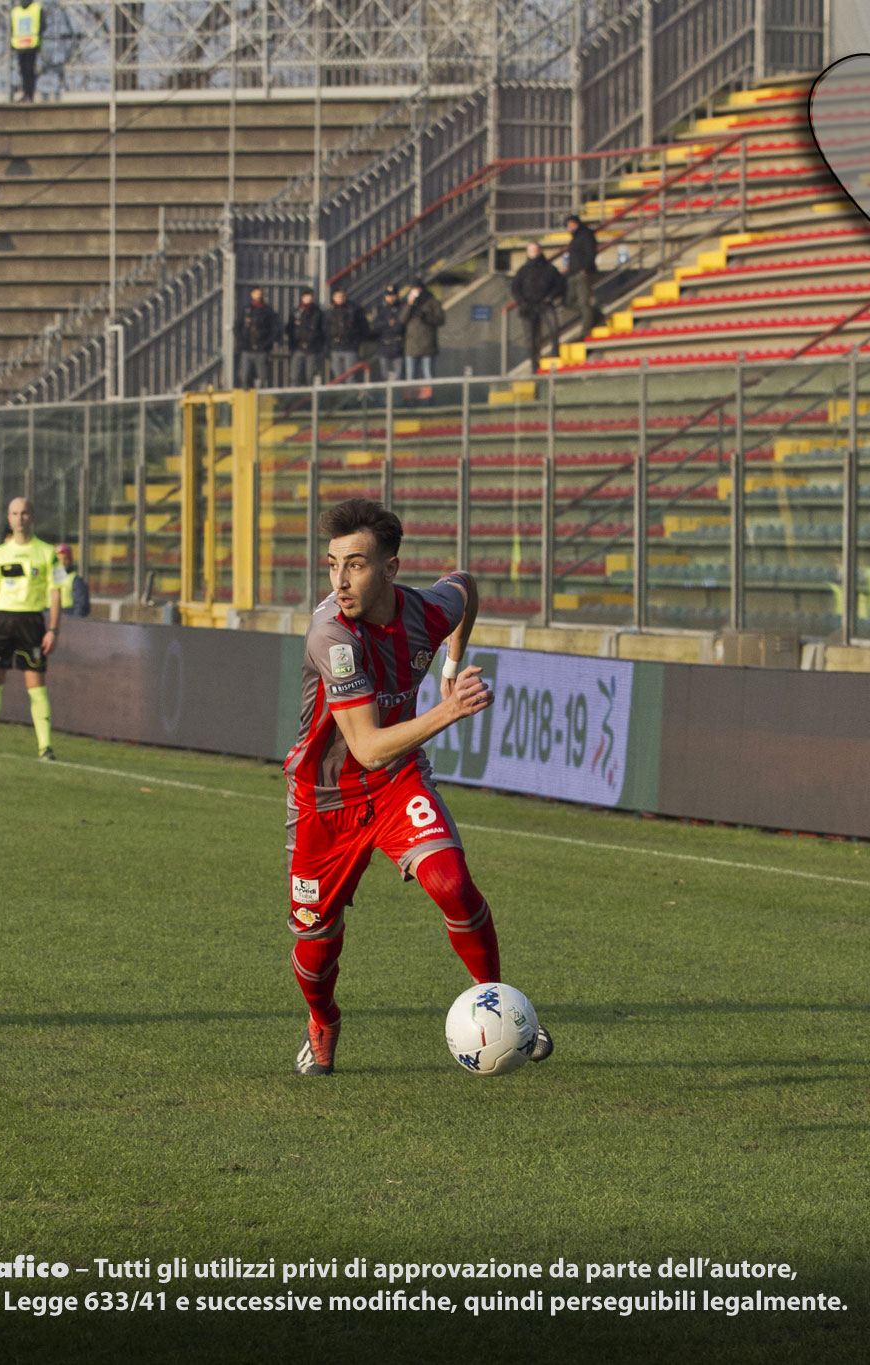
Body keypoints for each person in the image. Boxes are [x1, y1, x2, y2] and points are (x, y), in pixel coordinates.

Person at [282, 497, 550, 1076]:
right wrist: (448, 709)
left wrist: (453, 661)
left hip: (395, 782)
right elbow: (365, 746)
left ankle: (502, 1007)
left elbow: (465, 587)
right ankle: (323, 1020)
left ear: (391, 569)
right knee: (316, 944)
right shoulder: (333, 636)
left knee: (452, 883)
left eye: (355, 565)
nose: (339, 581)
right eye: (332, 565)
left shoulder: (426, 610)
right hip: (324, 801)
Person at [0, 496, 62, 760]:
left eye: (24, 513)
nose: (20, 518)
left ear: (32, 517)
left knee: (35, 683)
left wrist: (53, 630)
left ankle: (45, 747)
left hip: (31, 623)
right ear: (8, 519)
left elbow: (55, 593)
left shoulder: (47, 553)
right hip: (1, 622)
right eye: (14, 513)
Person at [511, 241, 566, 370]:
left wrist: (550, 297)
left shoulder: (549, 268)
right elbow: (515, 288)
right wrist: (522, 301)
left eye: (536, 250)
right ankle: (534, 363)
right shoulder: (523, 270)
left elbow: (559, 284)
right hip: (528, 307)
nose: (534, 253)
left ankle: (555, 353)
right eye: (531, 250)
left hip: (545, 304)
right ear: (527, 253)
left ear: (540, 251)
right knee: (530, 337)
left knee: (554, 328)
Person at [563, 213, 600, 337]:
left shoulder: (586, 235)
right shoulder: (574, 238)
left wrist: (585, 269)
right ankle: (593, 314)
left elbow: (591, 253)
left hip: (583, 274)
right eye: (568, 225)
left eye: (572, 224)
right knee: (568, 301)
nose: (570, 227)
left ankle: (586, 330)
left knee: (583, 301)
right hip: (573, 273)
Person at [236, 286, 280, 388]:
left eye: (260, 293)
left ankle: (261, 396)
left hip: (262, 350)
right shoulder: (246, 310)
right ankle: (246, 396)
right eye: (256, 293)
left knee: (262, 377)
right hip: (247, 349)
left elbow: (275, 330)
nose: (258, 295)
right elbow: (237, 327)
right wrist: (242, 342)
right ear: (252, 294)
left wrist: (266, 344)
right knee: (244, 376)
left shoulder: (267, 310)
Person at [399, 279, 444, 381]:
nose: (416, 291)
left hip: (427, 345)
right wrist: (409, 304)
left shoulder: (432, 301)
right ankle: (412, 392)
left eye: (418, 289)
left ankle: (429, 392)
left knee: (428, 373)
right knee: (411, 376)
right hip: (411, 346)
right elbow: (402, 320)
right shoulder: (407, 301)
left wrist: (426, 317)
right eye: (414, 289)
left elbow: (440, 320)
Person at [327, 288, 371, 383]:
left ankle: (351, 393)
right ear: (333, 298)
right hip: (335, 348)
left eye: (342, 296)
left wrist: (356, 342)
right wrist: (328, 346)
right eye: (337, 296)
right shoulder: (329, 311)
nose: (340, 298)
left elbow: (363, 327)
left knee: (351, 377)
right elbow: (326, 329)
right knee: (338, 378)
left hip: (350, 347)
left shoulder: (354, 309)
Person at [287, 287, 328, 388]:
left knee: (310, 376)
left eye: (310, 296)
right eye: (306, 296)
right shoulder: (296, 312)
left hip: (312, 349)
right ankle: (294, 396)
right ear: (302, 297)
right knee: (294, 376)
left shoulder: (318, 313)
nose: (308, 298)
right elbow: (289, 329)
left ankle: (310, 396)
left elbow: (323, 330)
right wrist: (292, 344)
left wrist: (319, 345)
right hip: (298, 348)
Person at [9, 2, 43, 102]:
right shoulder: (34, 9)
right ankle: (27, 94)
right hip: (26, 44)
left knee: (27, 71)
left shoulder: (17, 11)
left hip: (25, 45)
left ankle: (28, 94)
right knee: (26, 71)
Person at [373, 285, 406, 383]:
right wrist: (388, 323)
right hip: (384, 346)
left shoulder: (402, 308)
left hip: (398, 346)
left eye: (393, 295)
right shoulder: (380, 309)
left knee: (398, 377)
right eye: (388, 296)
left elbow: (401, 326)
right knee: (385, 377)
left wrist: (394, 325)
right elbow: (376, 326)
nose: (391, 298)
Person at [56, 541, 91, 617]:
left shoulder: (76, 580)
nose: (62, 562)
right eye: (59, 559)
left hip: (67, 618)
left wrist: (75, 621)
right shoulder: (50, 578)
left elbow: (81, 606)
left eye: (65, 559)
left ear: (70, 560)